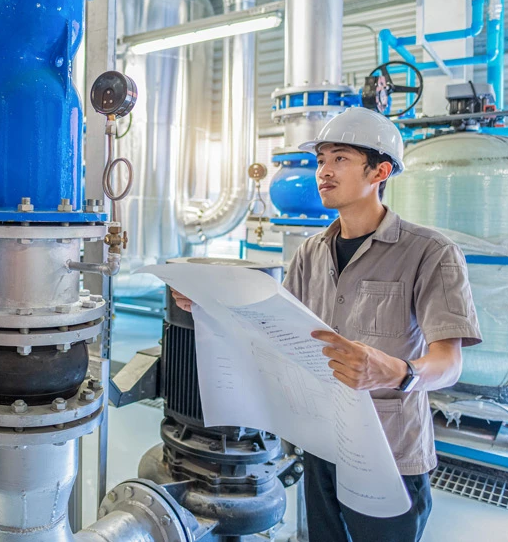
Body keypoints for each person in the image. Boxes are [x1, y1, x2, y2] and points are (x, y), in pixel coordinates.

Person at [171, 107, 481, 542]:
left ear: (380, 171)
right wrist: (208, 307)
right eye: (320, 160)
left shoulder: (430, 253)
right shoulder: (311, 253)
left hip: (389, 452)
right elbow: (272, 334)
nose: (324, 171)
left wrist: (397, 370)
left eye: (340, 159)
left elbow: (449, 362)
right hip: (322, 443)